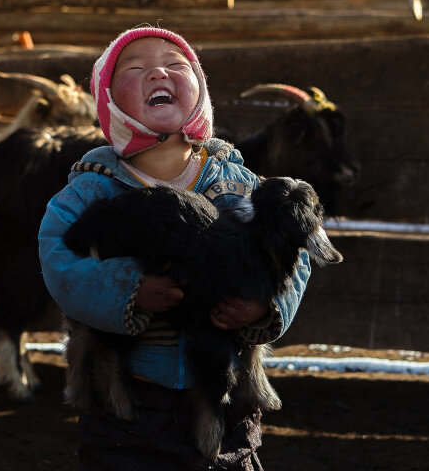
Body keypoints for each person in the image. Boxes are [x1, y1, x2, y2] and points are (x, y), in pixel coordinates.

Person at [38, 26, 311, 470]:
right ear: (109, 101)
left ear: (199, 90)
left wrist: (264, 305)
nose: (157, 73)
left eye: (175, 65)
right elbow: (58, 261)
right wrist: (129, 289)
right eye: (135, 68)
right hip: (126, 397)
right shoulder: (92, 189)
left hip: (225, 394)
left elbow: (292, 257)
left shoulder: (241, 186)